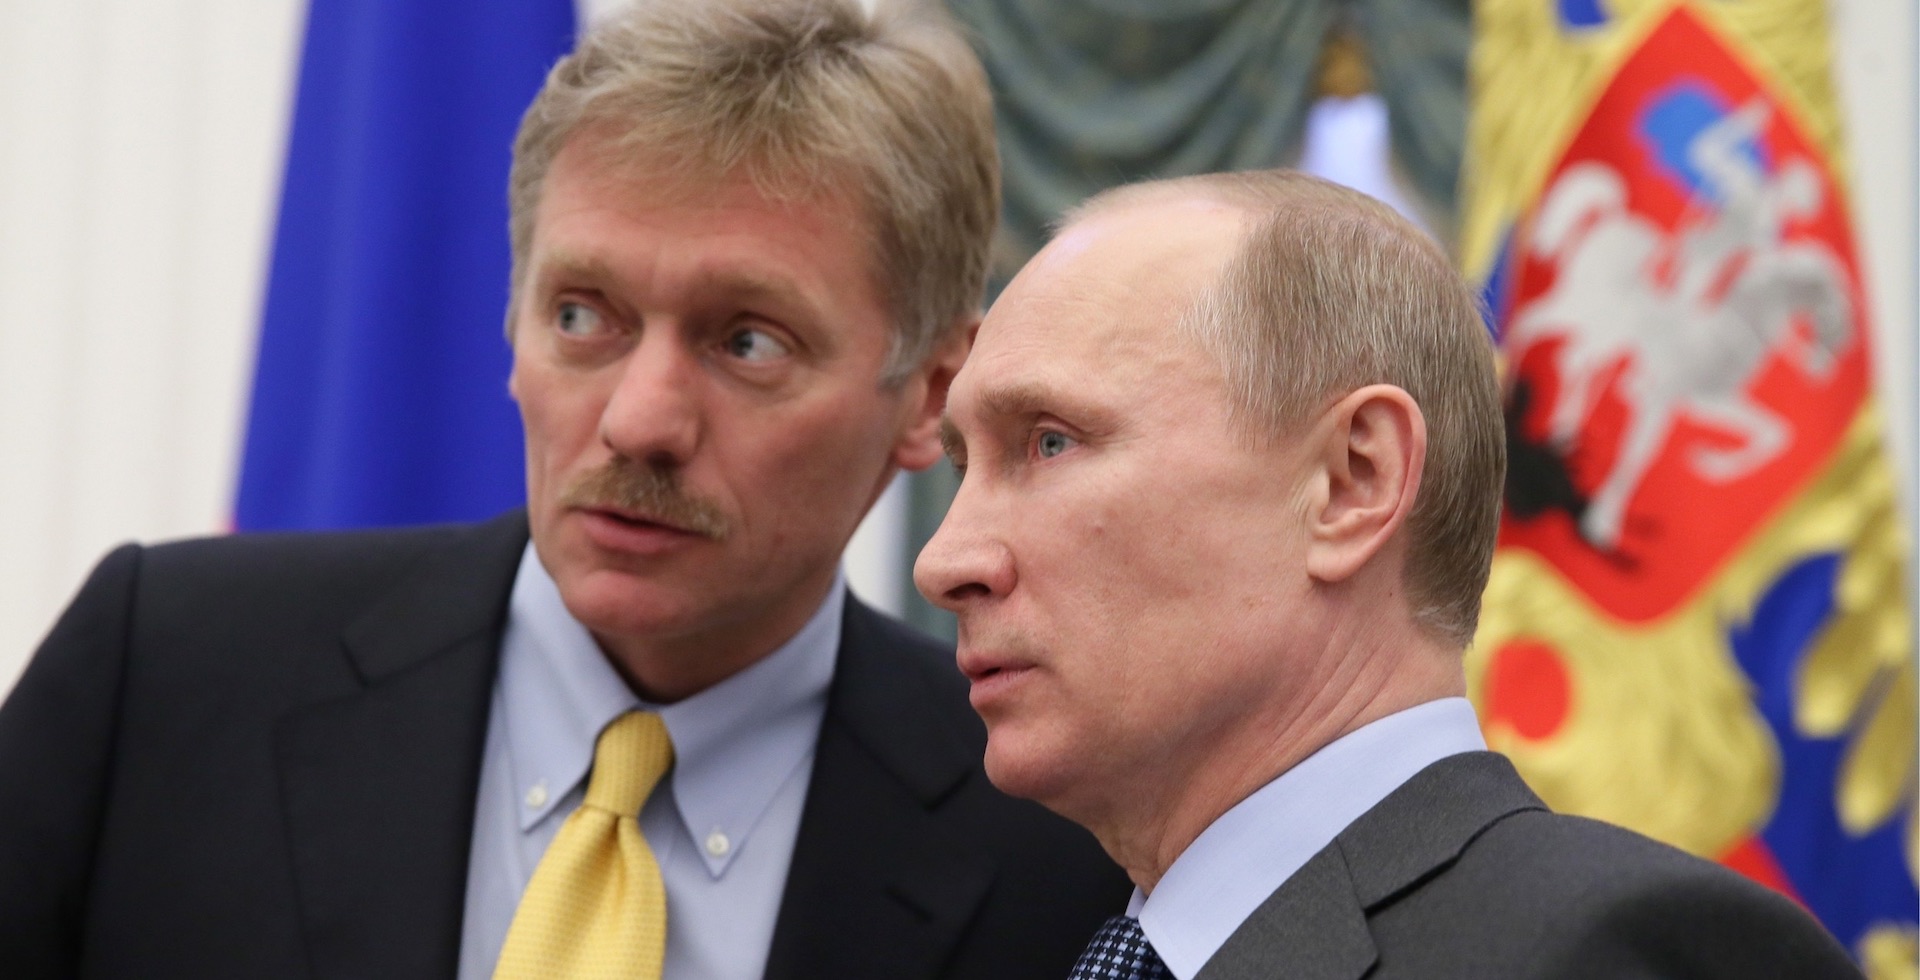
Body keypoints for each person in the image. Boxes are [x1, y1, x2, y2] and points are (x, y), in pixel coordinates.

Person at [0, 1, 1128, 977]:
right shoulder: (166, 676)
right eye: (583, 315)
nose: (638, 421)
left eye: (746, 340)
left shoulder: (1070, 837)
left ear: (932, 392)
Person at [914, 169, 1862, 979]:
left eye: (1048, 442)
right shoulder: (1034, 938)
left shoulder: (1614, 951)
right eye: (963, 467)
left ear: (1352, 482)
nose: (942, 561)